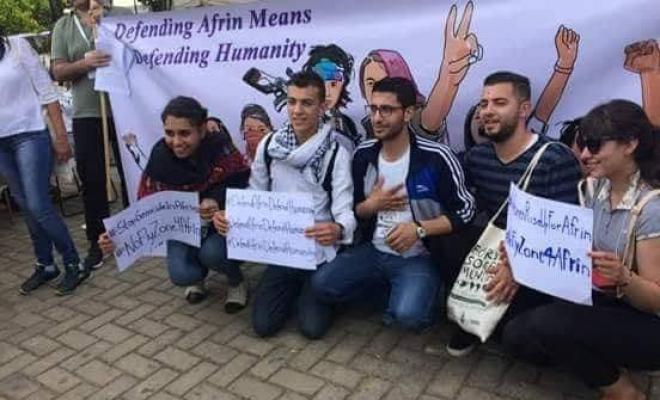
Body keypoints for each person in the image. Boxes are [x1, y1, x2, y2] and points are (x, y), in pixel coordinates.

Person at [500, 100, 660, 400]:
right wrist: (520, 253)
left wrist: (625, 277)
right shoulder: (594, 188)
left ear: (630, 145)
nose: (585, 154)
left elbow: (655, 301)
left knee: (548, 324)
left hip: (648, 321)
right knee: (516, 335)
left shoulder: (652, 208)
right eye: (584, 144)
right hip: (606, 300)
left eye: (595, 145)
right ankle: (603, 355)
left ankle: (622, 390)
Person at [311, 77, 474, 332]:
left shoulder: (436, 157)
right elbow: (351, 210)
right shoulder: (363, 154)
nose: (377, 118)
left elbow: (466, 210)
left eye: (386, 110)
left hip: (418, 257)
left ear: (408, 113)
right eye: (373, 109)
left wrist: (419, 229)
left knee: (410, 317)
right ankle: (392, 292)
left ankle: (420, 293)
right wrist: (371, 206)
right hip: (373, 250)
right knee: (322, 285)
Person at [444, 71, 582, 356]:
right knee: (444, 236)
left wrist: (519, 267)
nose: (487, 111)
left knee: (520, 341)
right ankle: (471, 318)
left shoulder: (554, 158)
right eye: (484, 104)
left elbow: (564, 237)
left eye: (499, 103)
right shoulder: (478, 157)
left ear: (523, 109)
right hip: (493, 249)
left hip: (538, 259)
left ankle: (500, 319)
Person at [213, 71, 356, 339]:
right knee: (263, 326)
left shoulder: (336, 153)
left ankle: (318, 290)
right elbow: (256, 193)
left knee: (312, 328)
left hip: (318, 253)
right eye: (292, 102)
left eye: (307, 103)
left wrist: (338, 229)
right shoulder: (270, 146)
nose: (297, 110)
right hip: (283, 252)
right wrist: (231, 215)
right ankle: (300, 292)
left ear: (322, 107)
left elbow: (344, 208)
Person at [99, 96, 251, 311]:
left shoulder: (220, 146)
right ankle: (197, 279)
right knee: (181, 274)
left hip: (221, 226)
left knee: (213, 254)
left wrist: (217, 200)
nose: (176, 142)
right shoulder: (159, 157)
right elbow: (145, 207)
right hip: (183, 228)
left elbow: (244, 183)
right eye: (169, 133)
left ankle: (236, 281)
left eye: (184, 133)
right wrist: (116, 237)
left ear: (201, 130)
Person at [0, 32, 84, 295]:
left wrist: (61, 137)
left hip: (30, 134)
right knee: (26, 206)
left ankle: (74, 262)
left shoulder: (17, 48)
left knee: (38, 204)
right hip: (1, 144)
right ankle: (46, 264)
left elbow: (47, 92)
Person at [51, 0, 129, 271]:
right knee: (92, 178)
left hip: (124, 108)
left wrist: (106, 21)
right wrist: (85, 63)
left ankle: (139, 229)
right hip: (87, 113)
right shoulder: (64, 26)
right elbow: (58, 71)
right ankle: (98, 239)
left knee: (131, 171)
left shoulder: (120, 15)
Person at [302, 44, 361, 147]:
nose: (328, 92)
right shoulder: (301, 122)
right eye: (321, 83)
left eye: (334, 84)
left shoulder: (347, 123)